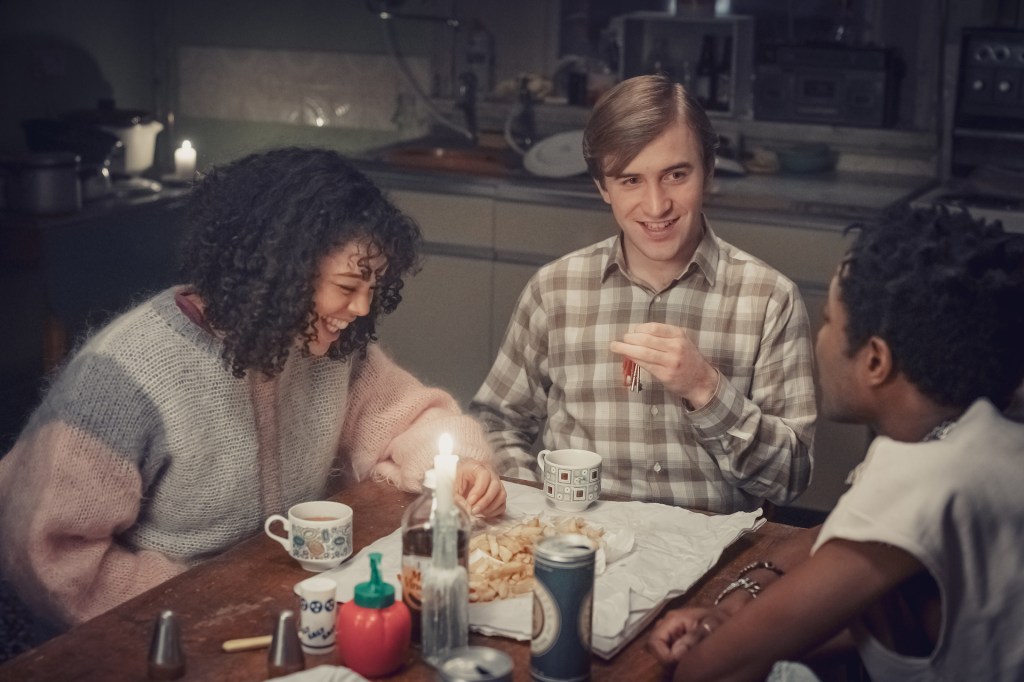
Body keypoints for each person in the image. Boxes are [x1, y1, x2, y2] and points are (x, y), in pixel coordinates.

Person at [0, 147, 506, 631]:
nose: (361, 310)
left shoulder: (326, 345)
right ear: (281, 268)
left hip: (274, 602)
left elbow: (411, 418)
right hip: (152, 630)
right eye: (348, 288)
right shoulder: (124, 376)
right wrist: (196, 601)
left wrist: (457, 465)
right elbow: (47, 553)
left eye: (371, 291)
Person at [648, 205, 1024, 681]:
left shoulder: (925, 481)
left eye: (828, 321)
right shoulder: (973, 444)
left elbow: (708, 671)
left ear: (875, 362)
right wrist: (738, 606)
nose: (820, 338)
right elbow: (830, 544)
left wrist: (729, 634)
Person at [470, 74, 815, 513]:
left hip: (709, 557)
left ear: (708, 171)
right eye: (630, 180)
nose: (656, 206)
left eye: (675, 174)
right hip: (581, 546)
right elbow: (495, 424)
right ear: (602, 187)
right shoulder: (554, 290)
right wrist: (541, 505)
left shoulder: (769, 300)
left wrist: (704, 387)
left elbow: (791, 479)